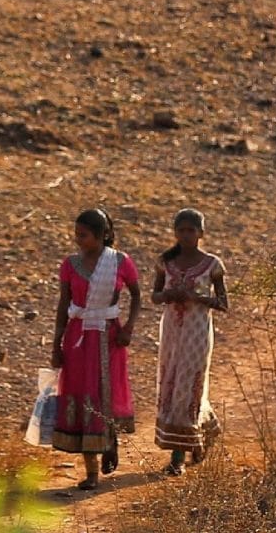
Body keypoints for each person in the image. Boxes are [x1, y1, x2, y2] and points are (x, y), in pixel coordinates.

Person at [49, 208, 140, 488]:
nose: (78, 240)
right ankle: (90, 472)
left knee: (104, 392)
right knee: (82, 394)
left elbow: (137, 296)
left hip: (108, 337)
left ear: (102, 236)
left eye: (84, 235)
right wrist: (57, 342)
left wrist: (128, 329)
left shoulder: (120, 262)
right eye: (76, 234)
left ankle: (108, 440)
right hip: (78, 338)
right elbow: (64, 304)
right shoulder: (70, 264)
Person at [150, 209, 228, 476]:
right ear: (175, 232)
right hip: (172, 330)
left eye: (190, 231)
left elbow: (223, 303)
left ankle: (177, 457)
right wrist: (172, 294)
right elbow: (155, 296)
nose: (185, 235)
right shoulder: (165, 261)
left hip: (197, 332)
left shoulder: (212, 264)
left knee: (189, 385)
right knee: (171, 383)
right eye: (181, 230)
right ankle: (204, 431)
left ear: (201, 234)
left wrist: (198, 298)